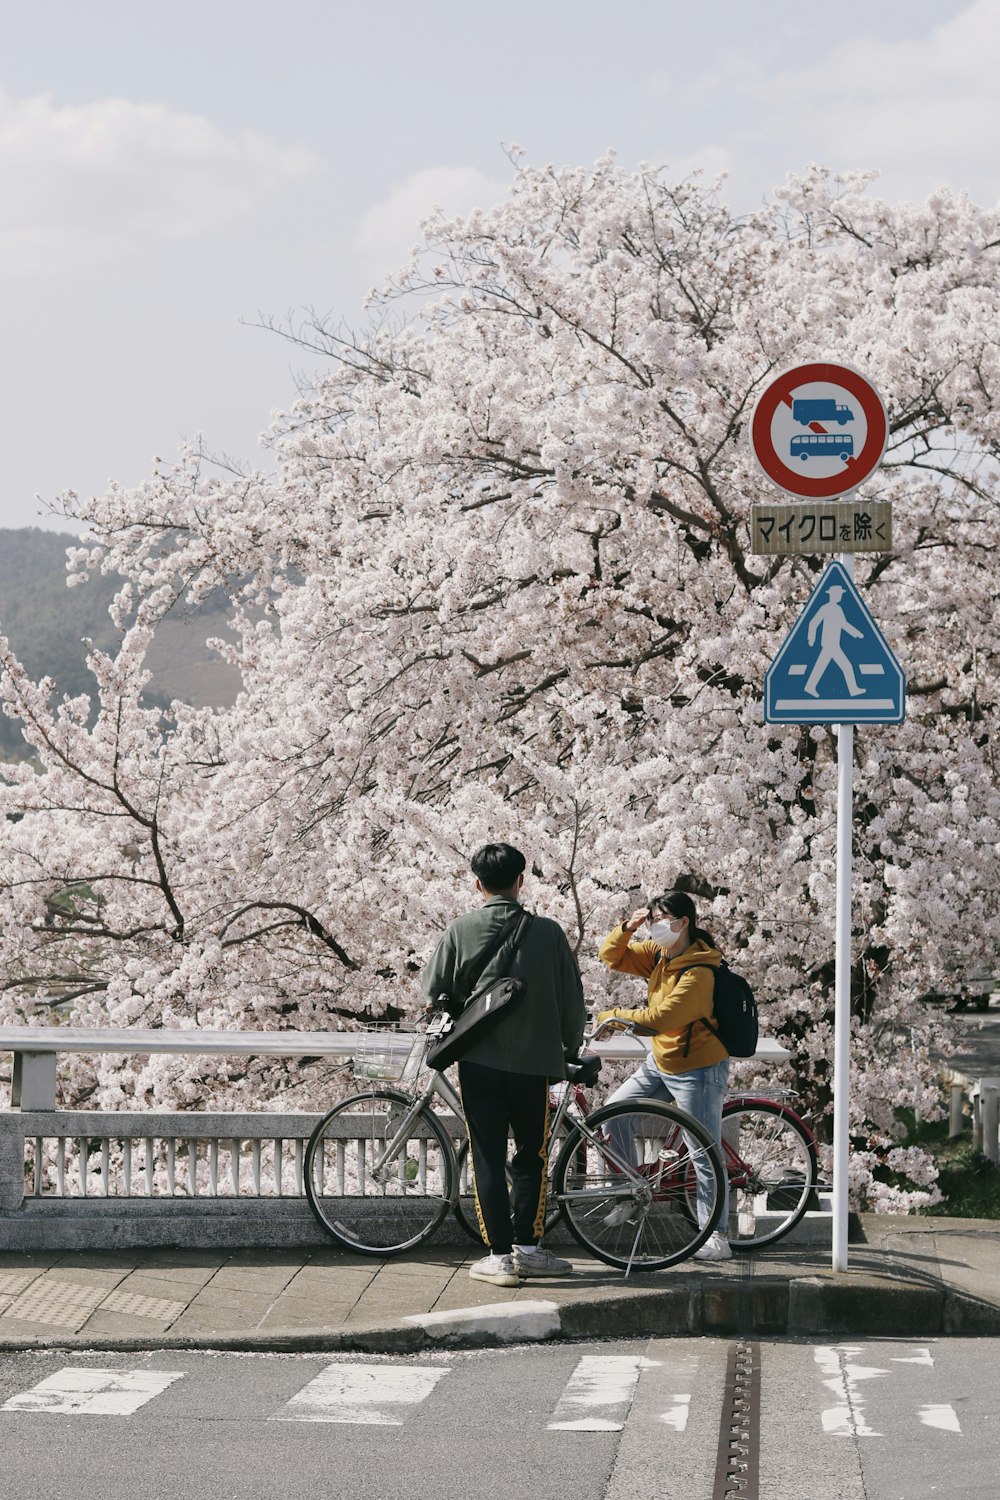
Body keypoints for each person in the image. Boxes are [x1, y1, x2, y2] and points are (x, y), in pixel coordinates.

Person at [421, 842, 587, 1288]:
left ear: (477, 883)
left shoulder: (461, 928)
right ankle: (529, 1248)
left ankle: (499, 1256)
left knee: (488, 1154)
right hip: (536, 1063)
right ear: (521, 881)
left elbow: (433, 987)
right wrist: (568, 1049)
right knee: (532, 1153)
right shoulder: (549, 933)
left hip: (479, 1059)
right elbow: (573, 1004)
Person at [597, 889, 732, 1262]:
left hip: (698, 1069)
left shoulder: (700, 972)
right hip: (662, 1060)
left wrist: (613, 1015)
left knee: (703, 1151)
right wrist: (628, 927)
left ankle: (717, 1235)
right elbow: (611, 956)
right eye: (652, 919)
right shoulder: (660, 955)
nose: (654, 927)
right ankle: (630, 1193)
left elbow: (660, 1020)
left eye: (660, 920)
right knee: (615, 1111)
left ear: (683, 922)